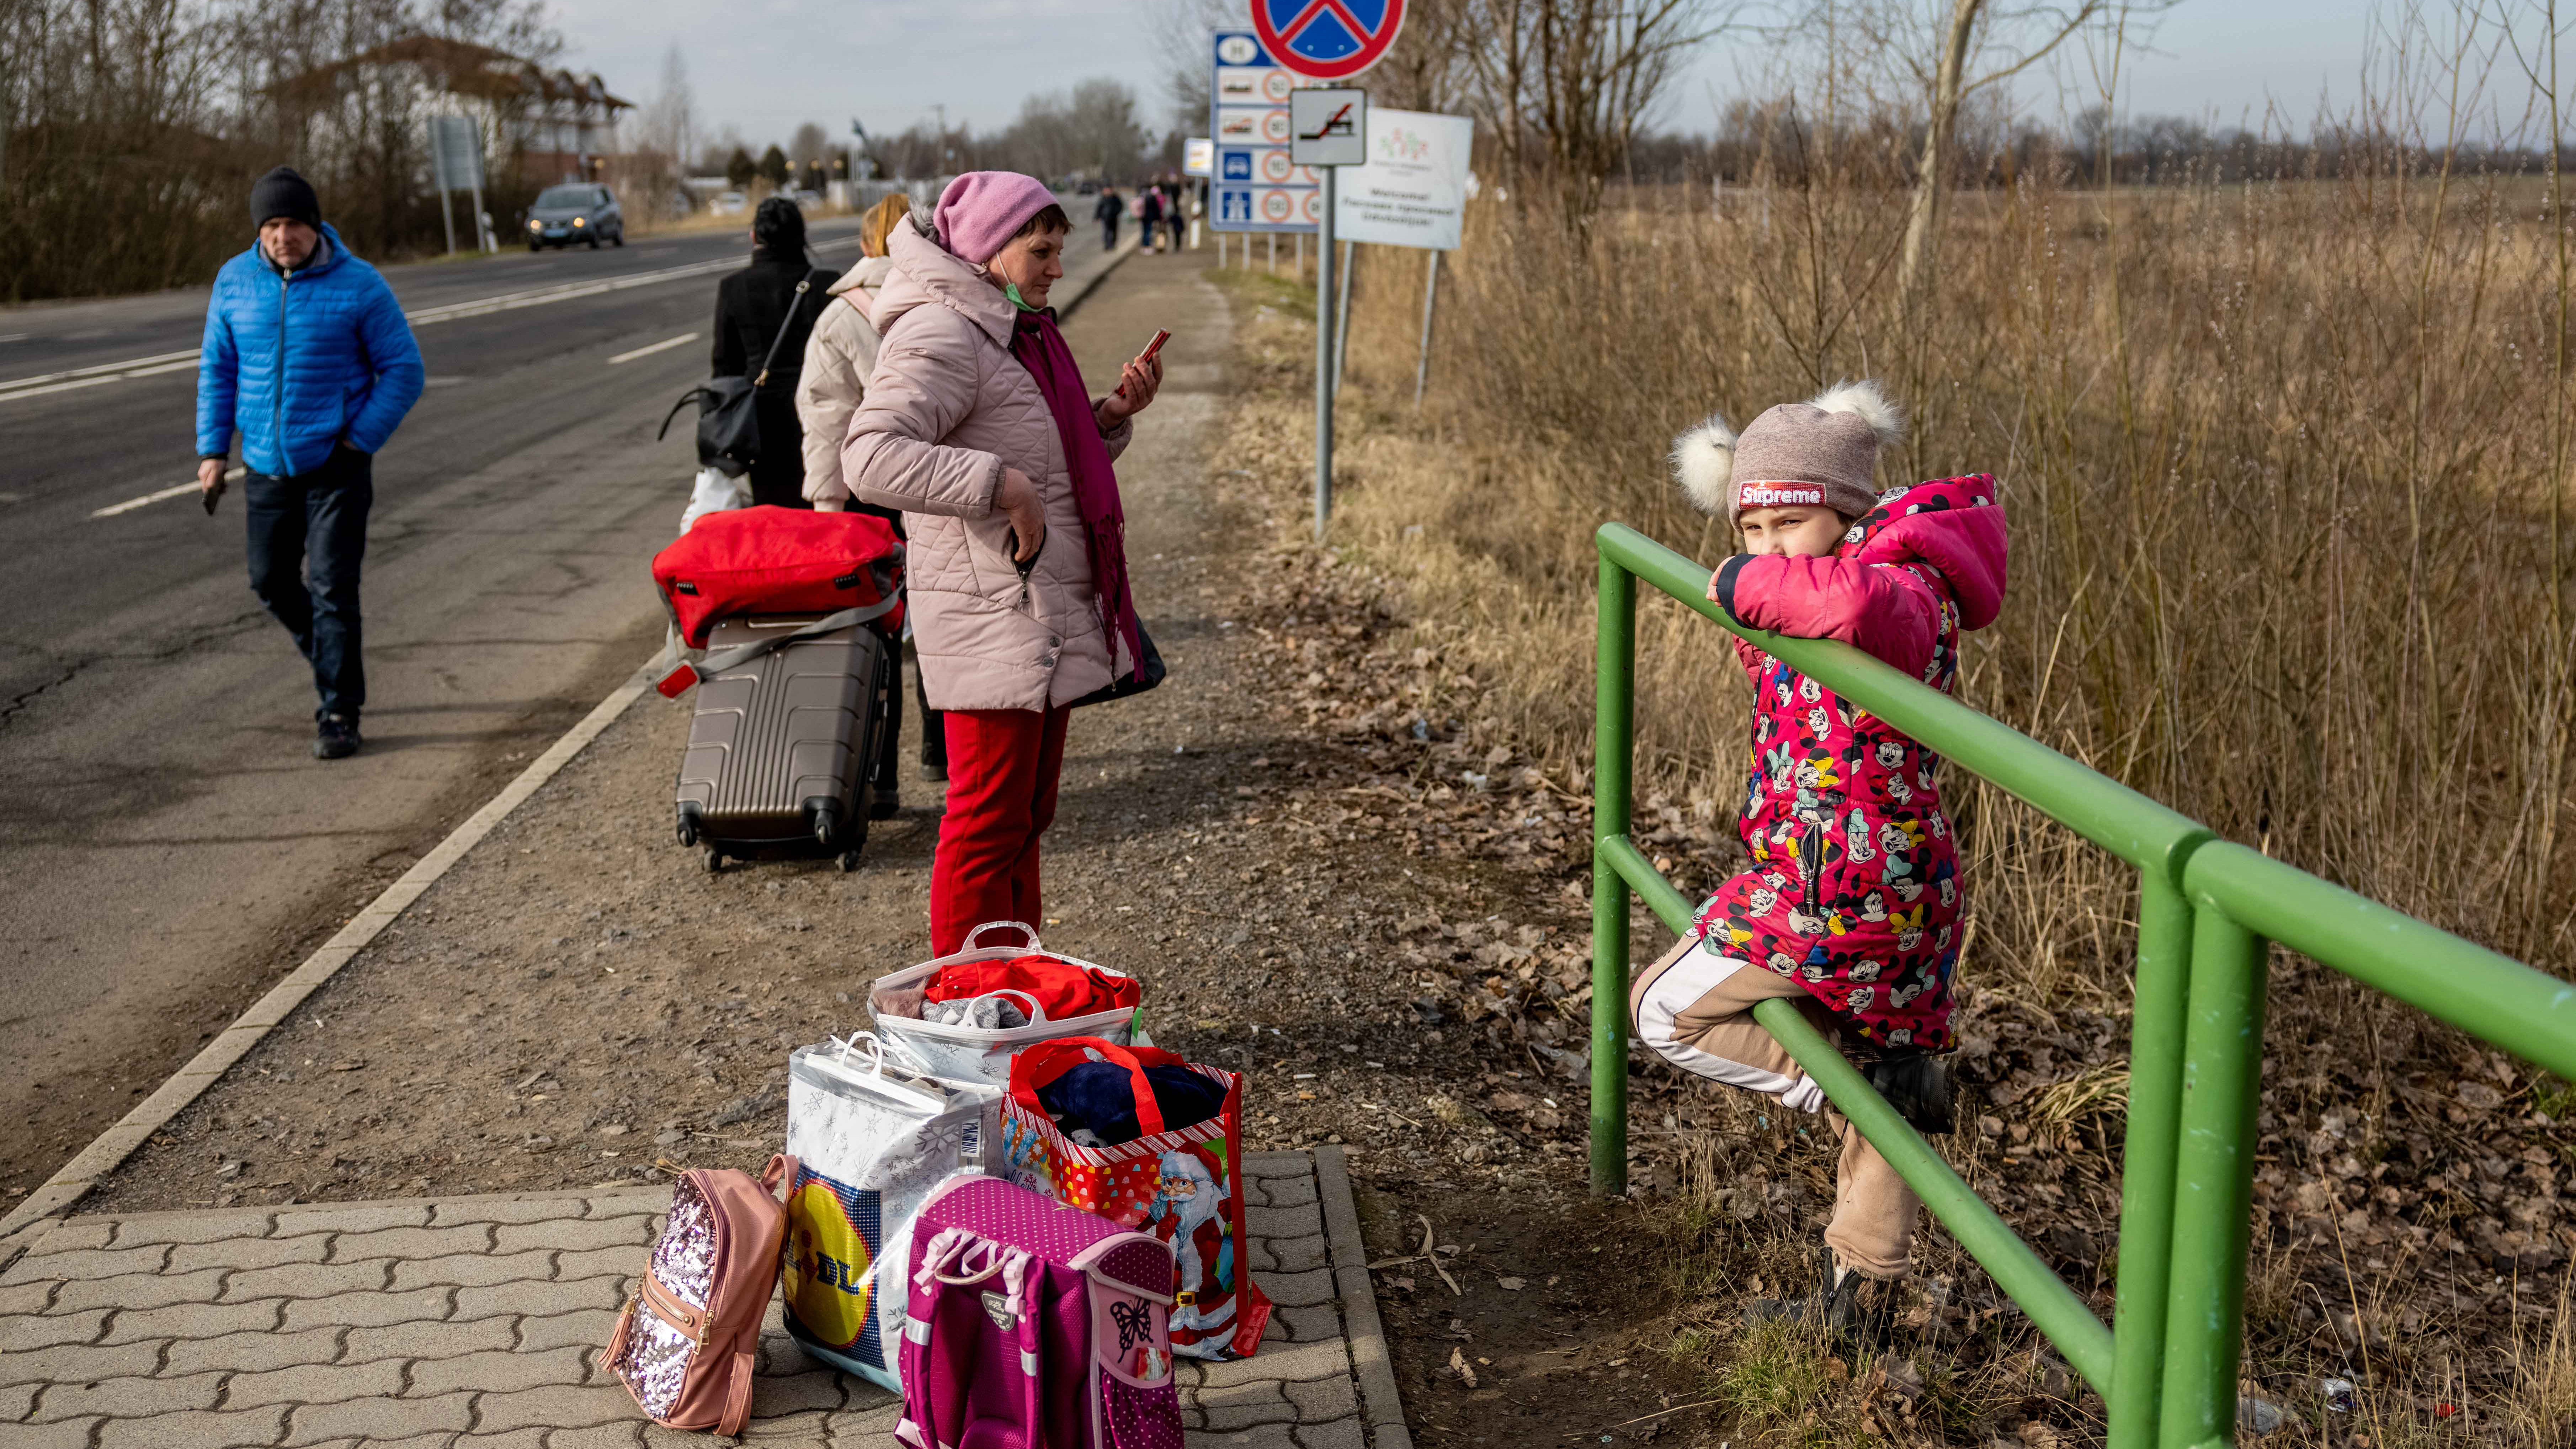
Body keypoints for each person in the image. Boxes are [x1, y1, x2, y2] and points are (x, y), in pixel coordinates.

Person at [1629, 380, 2008, 1339]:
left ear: (1850, 509)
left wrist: (1732, 583)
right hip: (1874, 880)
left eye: (1788, 523)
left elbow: (1860, 604)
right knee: (1882, 1089)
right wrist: (1760, 574)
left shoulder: (1903, 584)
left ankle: (1855, 1084)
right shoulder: (1838, 574)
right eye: (1748, 528)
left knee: (1662, 1009)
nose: (1766, 549)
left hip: (1847, 886)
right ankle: (1858, 1310)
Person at [845, 172, 1163, 954]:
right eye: (1042, 250)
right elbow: (869, 457)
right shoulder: (943, 333)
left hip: (1036, 607)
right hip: (990, 609)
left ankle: (1018, 992)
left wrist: (1109, 418)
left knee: (1026, 819)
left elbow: (1044, 450)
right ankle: (968, 1006)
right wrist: (999, 486)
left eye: (1059, 249)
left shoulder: (1019, 330)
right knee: (987, 822)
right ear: (988, 250)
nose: (1057, 267)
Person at [196, 166, 424, 760]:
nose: (282, 235)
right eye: (271, 224)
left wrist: (358, 441)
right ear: (259, 231)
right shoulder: (234, 281)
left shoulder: (359, 284)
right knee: (269, 579)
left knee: (332, 588)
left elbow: (403, 368)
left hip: (336, 465)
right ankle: (332, 658)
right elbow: (218, 370)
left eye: (293, 222)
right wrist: (213, 451)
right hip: (267, 464)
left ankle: (339, 711)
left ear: (314, 224)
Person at [795, 192, 947, 797]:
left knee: (874, 633)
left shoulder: (839, 316)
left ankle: (878, 777)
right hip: (937, 484)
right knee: (940, 622)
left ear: (864, 247)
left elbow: (825, 418)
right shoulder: (948, 300)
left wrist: (825, 506)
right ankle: (941, 753)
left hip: (866, 495)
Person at [712, 196, 839, 509]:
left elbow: (725, 369)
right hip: (823, 413)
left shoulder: (733, 288)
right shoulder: (828, 284)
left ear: (755, 237)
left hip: (761, 422)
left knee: (774, 515)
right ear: (802, 236)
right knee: (824, 511)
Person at [1093, 186, 1122, 251]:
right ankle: (1107, 245)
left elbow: (1120, 206)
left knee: (1114, 232)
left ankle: (1113, 245)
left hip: (1114, 218)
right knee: (1106, 232)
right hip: (1105, 218)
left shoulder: (1116, 198)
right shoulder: (1103, 199)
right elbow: (1099, 208)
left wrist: (1116, 213)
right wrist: (1097, 217)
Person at [1139, 186, 1165, 254]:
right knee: (1150, 232)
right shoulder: (1154, 198)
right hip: (1151, 218)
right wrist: (1159, 218)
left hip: (1143, 217)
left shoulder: (1143, 197)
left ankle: (1145, 246)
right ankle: (1150, 246)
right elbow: (1157, 209)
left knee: (1145, 231)